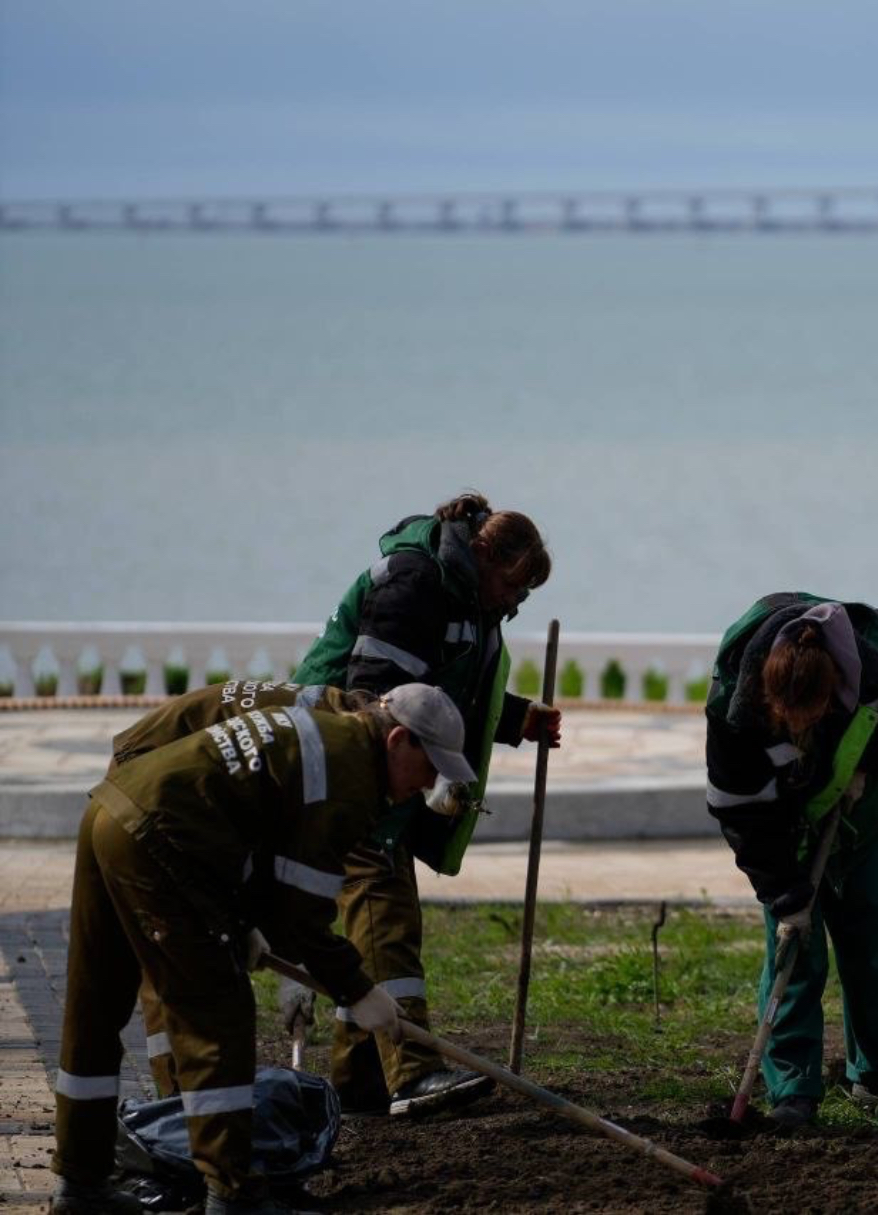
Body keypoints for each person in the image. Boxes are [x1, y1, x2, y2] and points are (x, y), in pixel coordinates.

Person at [50, 685, 472, 1215]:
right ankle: (234, 1194)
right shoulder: (350, 779)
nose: (429, 783)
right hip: (161, 835)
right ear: (397, 740)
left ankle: (80, 1183)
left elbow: (259, 843)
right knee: (216, 1019)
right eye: (430, 765)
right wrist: (357, 989)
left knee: (95, 1004)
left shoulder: (326, 734)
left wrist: (244, 921)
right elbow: (301, 916)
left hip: (113, 809)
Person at [290, 492, 561, 1117]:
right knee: (383, 911)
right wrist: (415, 780)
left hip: (374, 759)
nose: (515, 602)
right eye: (513, 586)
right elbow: (377, 700)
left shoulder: (468, 592)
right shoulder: (416, 584)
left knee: (374, 923)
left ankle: (359, 1080)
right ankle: (411, 1073)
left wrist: (515, 717)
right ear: (485, 554)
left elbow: (446, 687)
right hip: (338, 759)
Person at [703, 592, 878, 1131]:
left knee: (867, 938)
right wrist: (783, 891)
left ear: (835, 690)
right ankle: (792, 1090)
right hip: (781, 828)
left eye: (808, 721)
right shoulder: (734, 710)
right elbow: (737, 811)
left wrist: (869, 759)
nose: (796, 731)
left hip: (857, 813)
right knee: (794, 948)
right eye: (784, 722)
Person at [107, 679, 367, 1099]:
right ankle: (176, 1099)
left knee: (192, 943)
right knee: (171, 948)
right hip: (148, 778)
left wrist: (286, 951)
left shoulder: (330, 725)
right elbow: (285, 858)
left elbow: (276, 857)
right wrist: (296, 958)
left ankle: (186, 1098)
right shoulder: (326, 746)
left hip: (181, 791)